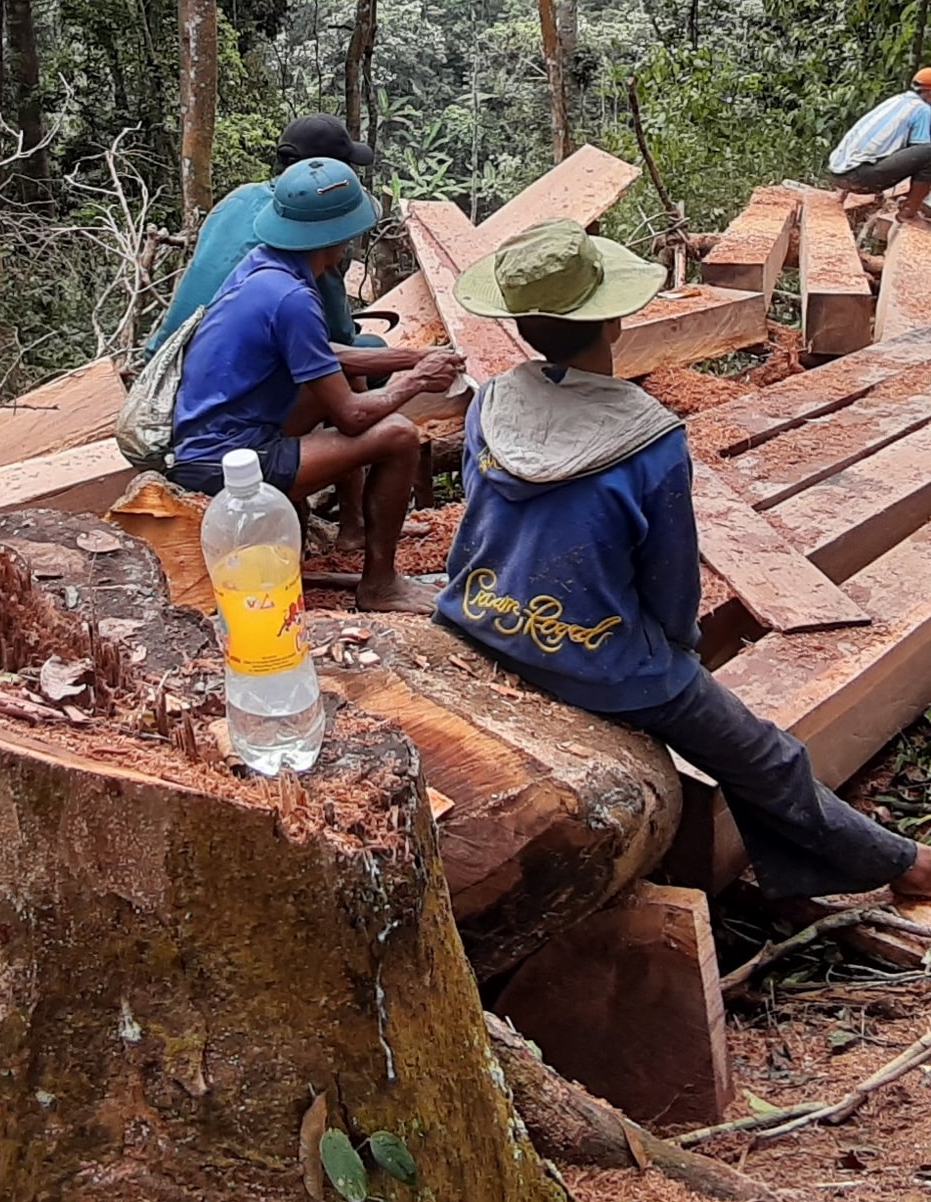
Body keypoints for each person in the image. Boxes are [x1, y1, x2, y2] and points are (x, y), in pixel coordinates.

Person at [435, 217, 931, 900]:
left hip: (477, 613)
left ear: (520, 324)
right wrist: (676, 653)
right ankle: (900, 865)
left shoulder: (490, 402)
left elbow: (482, 516)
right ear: (611, 321)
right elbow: (669, 581)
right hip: (599, 658)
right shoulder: (649, 439)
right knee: (766, 756)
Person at [168, 158, 463, 614]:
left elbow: (324, 357)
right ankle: (380, 585)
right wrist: (415, 381)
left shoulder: (264, 269)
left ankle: (354, 526)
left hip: (213, 438)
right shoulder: (293, 299)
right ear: (338, 238)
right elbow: (351, 416)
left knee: (350, 377)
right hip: (225, 463)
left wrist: (413, 356)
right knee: (400, 436)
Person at [829, 71, 931, 222]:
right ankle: (908, 212)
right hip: (859, 177)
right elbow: (919, 153)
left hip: (839, 173)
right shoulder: (923, 110)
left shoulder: (897, 100)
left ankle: (842, 193)